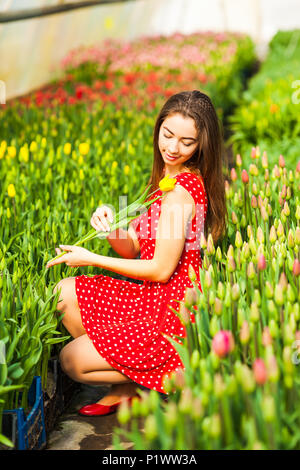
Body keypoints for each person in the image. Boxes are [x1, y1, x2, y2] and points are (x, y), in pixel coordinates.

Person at [46, 90, 227, 416]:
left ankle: (177, 374)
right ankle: (126, 388)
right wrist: (109, 227)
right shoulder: (168, 178)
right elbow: (133, 247)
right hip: (150, 294)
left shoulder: (180, 194)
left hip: (170, 310)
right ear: (158, 128)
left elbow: (160, 269)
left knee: (71, 361)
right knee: (63, 294)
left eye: (186, 142)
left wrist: (91, 258)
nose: (173, 148)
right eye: (168, 135)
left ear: (202, 144)